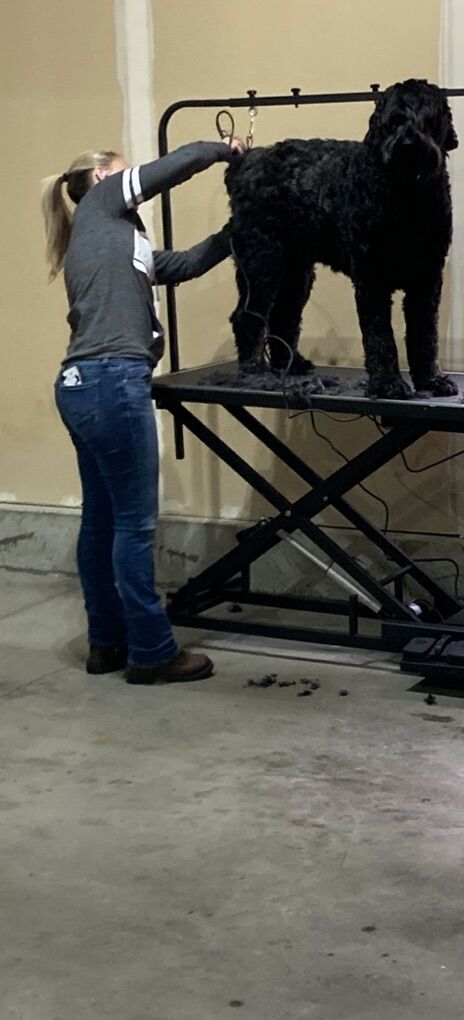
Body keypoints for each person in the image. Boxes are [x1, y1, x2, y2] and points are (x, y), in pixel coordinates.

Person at [41, 137, 246, 684]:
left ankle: (106, 645)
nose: (135, 179)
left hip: (82, 385)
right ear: (105, 179)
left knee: (102, 521)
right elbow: (169, 170)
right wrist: (223, 150)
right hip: (113, 382)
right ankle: (153, 653)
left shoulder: (114, 238)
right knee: (133, 525)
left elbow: (177, 266)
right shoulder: (101, 205)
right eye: (124, 171)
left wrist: (235, 232)